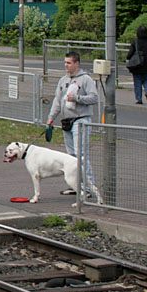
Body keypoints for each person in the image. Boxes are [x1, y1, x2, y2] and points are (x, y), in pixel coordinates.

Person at [47, 51, 99, 197]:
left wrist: (77, 98)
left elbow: (94, 98)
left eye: (69, 63)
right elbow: (57, 100)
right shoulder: (63, 80)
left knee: (81, 154)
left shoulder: (86, 79)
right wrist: (51, 118)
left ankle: (88, 188)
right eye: (65, 62)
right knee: (70, 156)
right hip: (67, 121)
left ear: (76, 63)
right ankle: (76, 185)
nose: (66, 65)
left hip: (81, 120)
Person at [126, 25, 147, 105]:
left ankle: (139, 99)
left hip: (137, 66)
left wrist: (128, 58)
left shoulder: (136, 42)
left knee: (137, 83)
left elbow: (130, 53)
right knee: (146, 80)